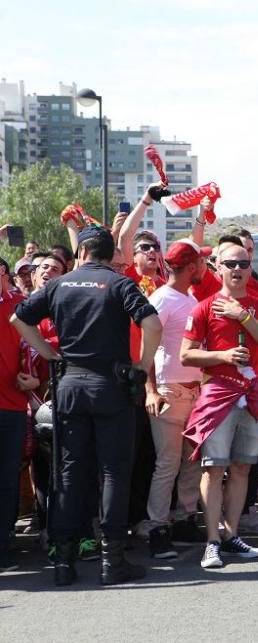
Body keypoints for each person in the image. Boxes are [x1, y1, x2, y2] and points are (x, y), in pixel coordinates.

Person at [11, 224, 163, 586]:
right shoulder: (119, 284)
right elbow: (153, 324)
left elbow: (18, 318)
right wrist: (142, 365)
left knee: (69, 473)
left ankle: (63, 562)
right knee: (113, 472)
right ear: (111, 256)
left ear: (80, 254)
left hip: (70, 385)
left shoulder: (59, 285)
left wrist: (49, 352)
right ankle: (113, 561)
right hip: (110, 385)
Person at [180, 242, 258, 570]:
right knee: (214, 468)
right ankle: (211, 540)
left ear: (250, 268)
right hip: (217, 396)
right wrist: (221, 357)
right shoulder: (204, 306)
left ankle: (232, 535)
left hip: (251, 396)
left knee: (242, 468)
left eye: (244, 263)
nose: (237, 269)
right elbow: (186, 354)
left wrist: (243, 316)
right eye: (230, 264)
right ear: (217, 267)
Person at [142, 239, 212, 560]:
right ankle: (158, 529)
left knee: (190, 461)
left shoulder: (188, 297)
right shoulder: (163, 300)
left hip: (192, 393)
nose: (205, 268)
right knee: (167, 464)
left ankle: (184, 519)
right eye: (201, 263)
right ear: (192, 267)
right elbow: (147, 349)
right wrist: (151, 390)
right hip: (169, 392)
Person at [0, 257, 29, 572]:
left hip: (12, 405)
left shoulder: (21, 306)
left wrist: (35, 376)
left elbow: (36, 348)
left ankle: (4, 542)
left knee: (8, 480)